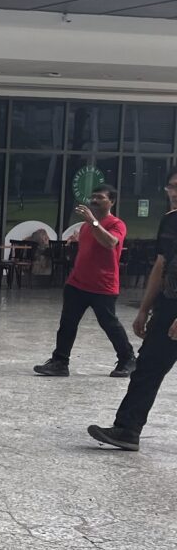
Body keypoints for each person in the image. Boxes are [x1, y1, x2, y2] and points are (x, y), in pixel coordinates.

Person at [90, 170, 177, 451]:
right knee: (147, 367)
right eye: (170, 187)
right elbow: (161, 266)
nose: (173, 192)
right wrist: (144, 309)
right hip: (168, 304)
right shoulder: (170, 221)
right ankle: (127, 429)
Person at [33, 185, 136, 378]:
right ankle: (60, 362)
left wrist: (93, 221)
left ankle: (128, 359)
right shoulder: (85, 227)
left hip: (103, 286)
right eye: (93, 197)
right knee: (67, 324)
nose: (94, 200)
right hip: (77, 284)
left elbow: (111, 243)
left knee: (109, 323)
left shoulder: (116, 224)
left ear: (111, 202)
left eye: (100, 197)